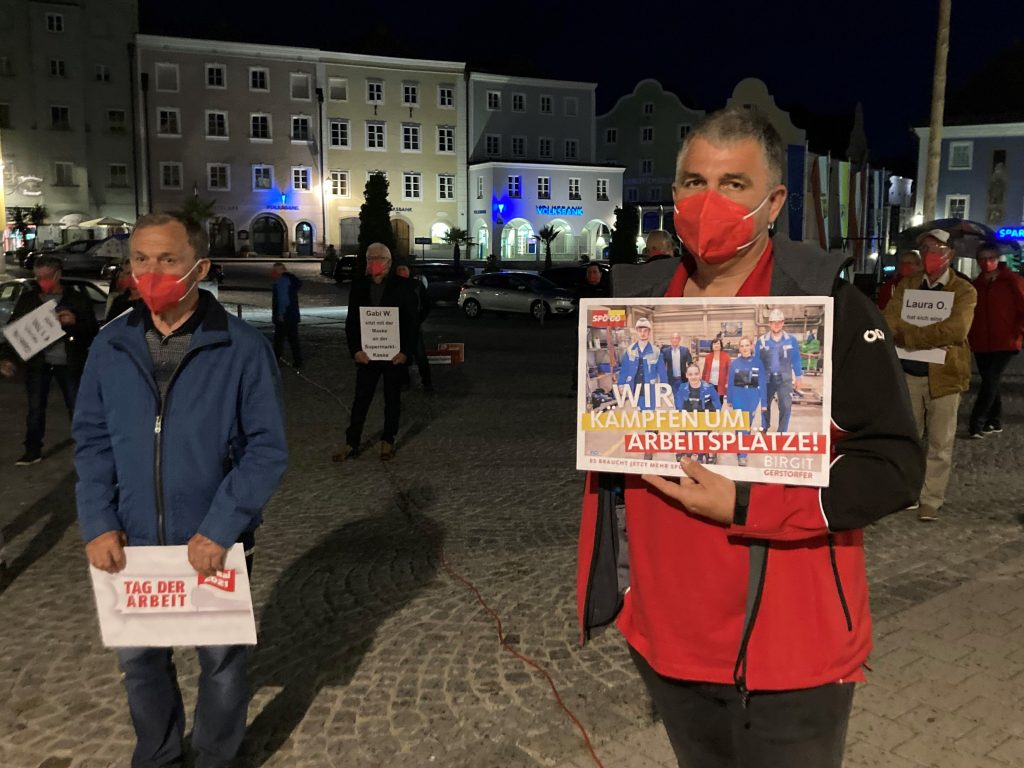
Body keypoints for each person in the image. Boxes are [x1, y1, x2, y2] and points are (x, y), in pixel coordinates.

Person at [576, 108, 923, 768]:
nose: (707, 202)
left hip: (791, 658)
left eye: (733, 183)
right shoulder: (633, 308)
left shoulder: (831, 311)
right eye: (691, 182)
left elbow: (894, 464)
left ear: (775, 202)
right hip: (666, 643)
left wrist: (750, 503)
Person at [73, 212, 287, 767]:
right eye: (140, 259)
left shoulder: (241, 348)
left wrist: (221, 527)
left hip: (212, 541)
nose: (151, 272)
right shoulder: (109, 346)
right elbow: (92, 441)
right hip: (131, 540)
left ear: (200, 267)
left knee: (220, 662)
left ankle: (215, 757)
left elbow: (267, 448)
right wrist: (97, 519)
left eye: (167, 259)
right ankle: (159, 755)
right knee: (140, 663)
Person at [884, 228, 976, 522]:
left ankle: (931, 499)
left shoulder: (964, 291)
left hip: (946, 377)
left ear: (950, 255)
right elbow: (890, 322)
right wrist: (921, 336)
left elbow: (956, 330)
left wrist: (910, 336)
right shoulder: (908, 284)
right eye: (925, 250)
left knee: (940, 442)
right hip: (909, 374)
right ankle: (908, 493)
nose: (929, 256)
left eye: (936, 250)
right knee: (909, 439)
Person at [0, 255, 99, 465]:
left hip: (68, 363)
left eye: (46, 276)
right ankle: (32, 450)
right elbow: (15, 332)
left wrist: (75, 323)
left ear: (58, 274)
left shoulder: (76, 299)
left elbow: (92, 332)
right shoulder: (29, 299)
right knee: (35, 408)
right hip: (39, 364)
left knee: (77, 407)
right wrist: (8, 358)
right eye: (38, 277)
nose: (42, 281)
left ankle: (87, 448)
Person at [333, 243, 418, 462]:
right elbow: (352, 322)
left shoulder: (404, 286)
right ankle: (351, 442)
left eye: (378, 258)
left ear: (389, 262)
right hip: (367, 356)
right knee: (361, 400)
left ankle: (387, 441)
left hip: (394, 356)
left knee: (392, 399)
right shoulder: (359, 286)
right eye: (370, 258)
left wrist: (406, 352)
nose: (373, 262)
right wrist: (356, 351)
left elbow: (411, 323)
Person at [967, 241, 1024, 438]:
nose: (986, 262)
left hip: (1005, 341)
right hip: (981, 341)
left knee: (990, 380)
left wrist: (1018, 331)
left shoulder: (1012, 281)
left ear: (997, 259)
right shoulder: (976, 285)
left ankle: (977, 422)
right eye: (982, 259)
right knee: (990, 380)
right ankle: (995, 420)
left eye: (990, 258)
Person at [755, 307, 802, 432]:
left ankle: (782, 431)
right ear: (769, 324)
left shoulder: (791, 340)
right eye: (773, 322)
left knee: (786, 406)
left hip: (784, 379)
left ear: (782, 323)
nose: (776, 325)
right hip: (767, 378)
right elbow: (757, 361)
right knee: (765, 405)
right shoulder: (762, 341)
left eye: (778, 322)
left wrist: (798, 376)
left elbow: (796, 358)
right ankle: (764, 426)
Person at [395, 258, 434, 392]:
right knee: (401, 355)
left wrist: (418, 319)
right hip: (398, 327)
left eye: (403, 269)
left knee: (420, 355)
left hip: (414, 327)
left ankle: (427, 382)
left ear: (408, 271)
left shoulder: (417, 285)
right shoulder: (394, 286)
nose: (401, 272)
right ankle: (404, 381)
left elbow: (426, 305)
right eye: (399, 269)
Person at [726, 335, 764, 467]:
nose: (744, 348)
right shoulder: (735, 363)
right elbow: (730, 382)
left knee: (746, 426)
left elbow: (762, 382)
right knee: (740, 424)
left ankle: (740, 447)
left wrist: (763, 402)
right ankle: (742, 455)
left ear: (751, 346)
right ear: (739, 348)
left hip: (752, 397)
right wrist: (729, 398)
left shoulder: (758, 363)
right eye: (742, 346)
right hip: (738, 396)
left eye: (747, 345)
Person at [617, 316, 667, 410]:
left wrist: (664, 387)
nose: (642, 333)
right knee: (637, 413)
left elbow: (662, 371)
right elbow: (624, 369)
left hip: (650, 389)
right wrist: (621, 384)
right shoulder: (630, 350)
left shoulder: (656, 351)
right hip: (634, 388)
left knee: (650, 413)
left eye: (645, 331)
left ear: (649, 332)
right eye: (640, 331)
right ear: (637, 332)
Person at [676, 361, 721, 464]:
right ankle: (688, 451)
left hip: (704, 419)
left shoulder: (709, 388)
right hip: (688, 418)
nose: (694, 377)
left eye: (696, 374)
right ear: (687, 376)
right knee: (687, 434)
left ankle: (702, 454)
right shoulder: (682, 387)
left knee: (703, 435)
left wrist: (715, 418)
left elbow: (717, 404)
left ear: (700, 374)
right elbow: (678, 404)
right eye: (690, 374)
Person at [271, 261, 303, 370]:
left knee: (279, 340)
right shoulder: (291, 280)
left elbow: (283, 300)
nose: (273, 272)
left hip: (285, 316)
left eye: (276, 270)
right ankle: (298, 361)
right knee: (293, 339)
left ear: (282, 270)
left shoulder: (282, 281)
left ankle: (274, 362)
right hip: (293, 315)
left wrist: (280, 313)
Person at [701, 335, 731, 400]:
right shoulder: (708, 357)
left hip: (721, 384)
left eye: (718, 344)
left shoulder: (726, 356)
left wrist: (728, 382)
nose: (716, 345)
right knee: (710, 402)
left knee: (719, 401)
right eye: (714, 344)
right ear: (712, 346)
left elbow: (729, 371)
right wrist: (702, 382)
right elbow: (705, 371)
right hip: (709, 384)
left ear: (721, 346)